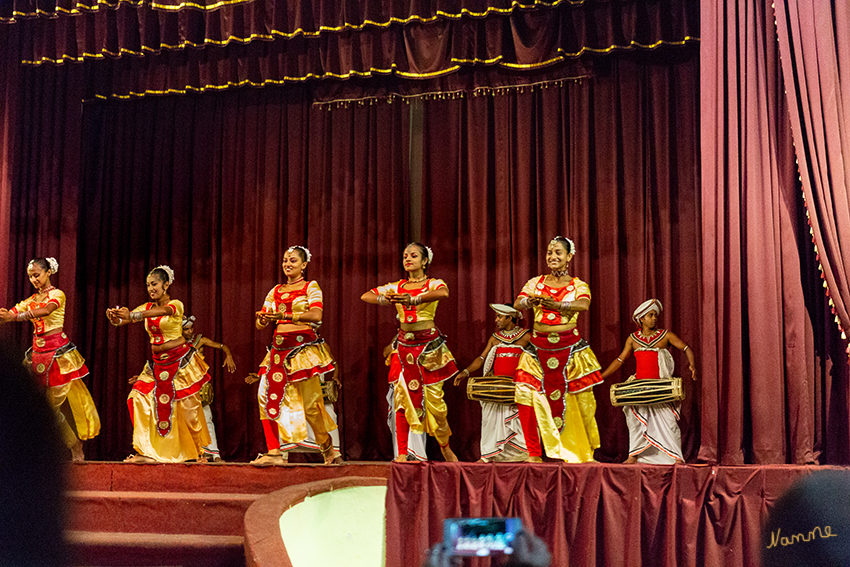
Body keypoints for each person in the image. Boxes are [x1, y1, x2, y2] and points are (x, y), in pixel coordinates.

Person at [361, 242, 459, 462]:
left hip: (429, 349)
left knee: (437, 406)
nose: (408, 259)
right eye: (405, 256)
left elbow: (443, 293)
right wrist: (384, 299)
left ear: (425, 261)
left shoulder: (433, 283)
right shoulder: (397, 286)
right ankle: (403, 453)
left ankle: (444, 446)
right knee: (401, 399)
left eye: (414, 256)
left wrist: (413, 300)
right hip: (403, 349)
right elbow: (365, 296)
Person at [106, 265, 212, 463]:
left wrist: (133, 315)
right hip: (157, 365)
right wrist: (115, 317)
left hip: (180, 362)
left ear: (166, 284)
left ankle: (199, 452)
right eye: (147, 285)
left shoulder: (176, 304)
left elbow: (162, 311)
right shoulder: (146, 308)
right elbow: (126, 320)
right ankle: (146, 451)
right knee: (137, 397)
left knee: (189, 409)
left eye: (154, 284)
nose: (150, 288)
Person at [249, 246, 342, 466]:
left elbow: (316, 315)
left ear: (304, 265)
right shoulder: (276, 290)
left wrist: (285, 315)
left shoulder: (311, 287)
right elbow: (260, 323)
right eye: (284, 261)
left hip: (303, 352)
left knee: (310, 406)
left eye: (292, 261)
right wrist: (263, 319)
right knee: (264, 396)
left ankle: (328, 450)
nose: (287, 264)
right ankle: (274, 452)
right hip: (277, 353)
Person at [0, 257, 100, 461]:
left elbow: (46, 311)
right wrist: (6, 315)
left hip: (59, 356)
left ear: (48, 273)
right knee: (37, 408)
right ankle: (48, 451)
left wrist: (15, 317)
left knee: (52, 409)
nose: (34, 280)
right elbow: (12, 311)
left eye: (37, 275)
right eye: (30, 277)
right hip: (37, 356)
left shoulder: (57, 295)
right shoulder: (31, 300)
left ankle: (74, 446)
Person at [513, 236, 603, 463]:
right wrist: (529, 303)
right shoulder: (535, 282)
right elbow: (517, 303)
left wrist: (559, 305)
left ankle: (586, 453)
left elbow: (583, 304)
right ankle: (534, 453)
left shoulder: (578, 285)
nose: (552, 257)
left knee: (583, 402)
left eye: (558, 253)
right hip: (537, 349)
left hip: (571, 350)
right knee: (523, 393)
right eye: (549, 253)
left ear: (569, 257)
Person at [599, 299, 696, 464]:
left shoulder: (666, 335)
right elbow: (620, 360)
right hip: (640, 387)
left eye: (655, 315)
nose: (654, 318)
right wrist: (601, 376)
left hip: (661, 387)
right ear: (641, 319)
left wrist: (692, 364)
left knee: (669, 422)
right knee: (636, 421)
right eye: (650, 315)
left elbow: (685, 347)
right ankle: (634, 456)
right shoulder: (633, 339)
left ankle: (675, 457)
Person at [455, 304, 529, 462]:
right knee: (491, 421)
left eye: (499, 317)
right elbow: (481, 359)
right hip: (496, 388)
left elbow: (537, 361)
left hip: (518, 388)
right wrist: (466, 372)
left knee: (519, 421)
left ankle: (522, 455)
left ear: (510, 318)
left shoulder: (527, 337)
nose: (496, 320)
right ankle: (488, 456)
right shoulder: (495, 338)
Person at [181, 315, 235, 462]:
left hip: (200, 385)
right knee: (186, 421)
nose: (189, 331)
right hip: (183, 386)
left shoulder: (200, 341)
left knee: (206, 419)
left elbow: (221, 346)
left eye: (191, 328)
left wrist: (228, 355)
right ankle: (197, 454)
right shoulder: (176, 345)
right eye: (186, 329)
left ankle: (215, 455)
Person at [383, 339, 427, 461]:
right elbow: (385, 353)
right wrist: (396, 339)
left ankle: (417, 454)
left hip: (417, 385)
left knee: (416, 418)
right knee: (399, 418)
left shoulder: (425, 336)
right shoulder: (398, 339)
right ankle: (402, 454)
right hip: (399, 387)